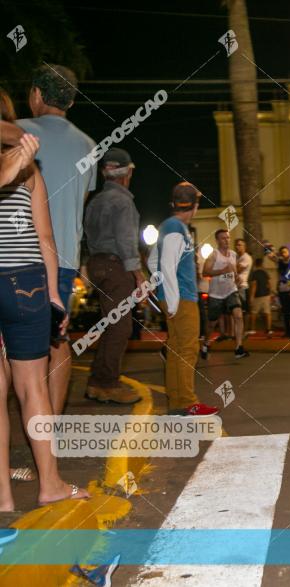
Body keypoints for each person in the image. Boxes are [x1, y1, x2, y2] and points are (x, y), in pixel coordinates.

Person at [0, 88, 89, 508]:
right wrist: (54, 295)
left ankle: (2, 498)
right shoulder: (29, 168)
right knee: (32, 387)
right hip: (27, 283)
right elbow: (46, 237)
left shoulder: (24, 164)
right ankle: (49, 484)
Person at [5, 65, 98, 415]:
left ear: (36, 96)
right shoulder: (89, 146)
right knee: (57, 343)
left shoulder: (17, 133)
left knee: (11, 347)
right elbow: (79, 206)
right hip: (62, 261)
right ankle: (50, 429)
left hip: (16, 258)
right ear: (71, 102)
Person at [149, 183, 218, 416]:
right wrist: (173, 299)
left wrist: (162, 291)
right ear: (195, 206)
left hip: (176, 295)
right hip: (182, 297)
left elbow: (153, 261)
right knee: (188, 349)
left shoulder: (169, 226)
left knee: (176, 349)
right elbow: (167, 264)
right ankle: (188, 401)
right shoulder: (176, 228)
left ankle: (178, 402)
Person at [82, 148, 142, 404]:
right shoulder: (123, 202)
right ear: (127, 173)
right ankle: (107, 383)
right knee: (121, 326)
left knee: (111, 324)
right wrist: (138, 274)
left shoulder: (94, 201)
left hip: (96, 263)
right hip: (115, 266)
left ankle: (97, 381)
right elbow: (126, 242)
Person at [203, 229, 249, 359]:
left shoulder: (233, 254)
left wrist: (237, 278)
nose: (226, 240)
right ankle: (206, 343)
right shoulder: (214, 255)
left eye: (228, 238)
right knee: (212, 323)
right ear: (217, 241)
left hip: (231, 290)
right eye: (223, 238)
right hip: (216, 294)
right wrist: (222, 271)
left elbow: (233, 269)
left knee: (238, 315)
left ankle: (239, 347)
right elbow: (205, 272)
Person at [248, 257, 274, 337]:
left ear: (255, 264)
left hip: (257, 296)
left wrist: (251, 297)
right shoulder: (265, 273)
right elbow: (269, 284)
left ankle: (252, 329)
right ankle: (269, 329)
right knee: (267, 313)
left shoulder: (254, 273)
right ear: (262, 264)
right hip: (266, 295)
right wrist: (270, 294)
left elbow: (254, 285)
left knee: (253, 312)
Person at [234, 238, 253, 332]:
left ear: (244, 247)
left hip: (242, 286)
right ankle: (238, 330)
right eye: (236, 245)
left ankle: (244, 330)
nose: (237, 247)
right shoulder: (236, 257)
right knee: (236, 310)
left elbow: (238, 270)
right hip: (234, 287)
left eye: (240, 245)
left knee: (244, 310)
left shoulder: (246, 257)